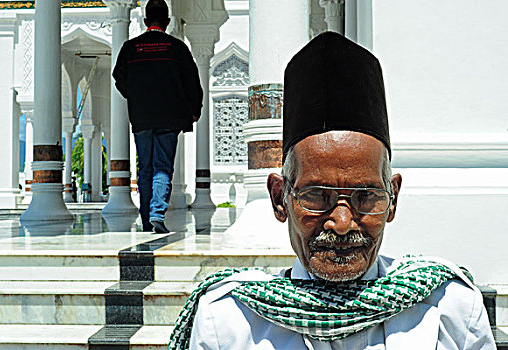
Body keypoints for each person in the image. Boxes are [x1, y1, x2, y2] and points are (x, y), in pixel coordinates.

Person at [169, 32, 496, 349]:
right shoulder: (229, 322)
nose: (341, 223)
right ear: (279, 198)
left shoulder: (451, 309)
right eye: (317, 196)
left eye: (365, 196)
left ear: (392, 198)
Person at [113, 0, 202, 233]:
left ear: (145, 21)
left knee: (146, 168)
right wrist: (195, 109)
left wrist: (135, 96)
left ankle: (146, 218)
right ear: (167, 22)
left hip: (142, 117)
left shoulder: (131, 48)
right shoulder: (176, 48)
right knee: (162, 167)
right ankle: (156, 214)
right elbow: (192, 82)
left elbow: (119, 78)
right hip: (169, 118)